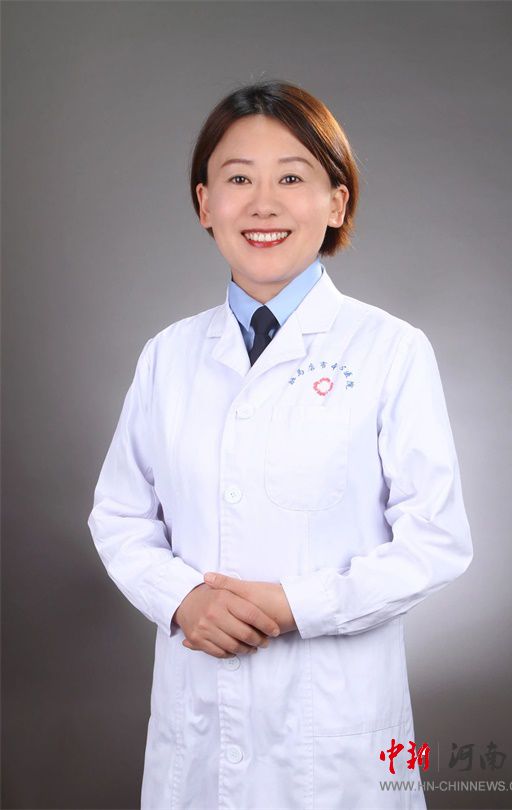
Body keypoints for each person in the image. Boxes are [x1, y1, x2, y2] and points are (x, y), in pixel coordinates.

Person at [88, 79, 473, 810]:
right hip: (198, 721)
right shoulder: (167, 356)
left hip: (338, 733)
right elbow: (119, 515)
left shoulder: (391, 349)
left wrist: (298, 605)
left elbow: (436, 541)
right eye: (238, 179)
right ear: (205, 204)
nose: (263, 204)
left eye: (292, 178)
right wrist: (182, 600)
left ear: (337, 203)